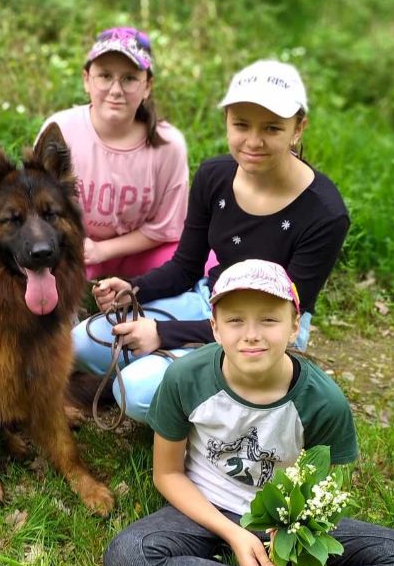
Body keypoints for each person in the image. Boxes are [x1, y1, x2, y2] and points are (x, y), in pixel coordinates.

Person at [103, 260, 394, 566]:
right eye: (235, 320)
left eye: (270, 319)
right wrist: (234, 535)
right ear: (215, 327)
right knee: (127, 557)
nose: (252, 334)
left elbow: (323, 493)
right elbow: (167, 473)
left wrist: (291, 537)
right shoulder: (185, 378)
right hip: (206, 508)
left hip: (285, 519)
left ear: (295, 326)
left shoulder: (323, 402)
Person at [73, 59, 350, 421]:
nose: (253, 141)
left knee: (134, 393)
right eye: (241, 125)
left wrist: (163, 333)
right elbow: (186, 267)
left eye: (272, 128)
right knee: (81, 343)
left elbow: (284, 313)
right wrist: (134, 289)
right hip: (210, 299)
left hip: (268, 329)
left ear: (298, 128)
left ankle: (226, 408)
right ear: (227, 122)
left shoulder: (325, 213)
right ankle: (181, 375)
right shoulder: (214, 176)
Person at [39, 27, 189, 280]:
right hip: (73, 248)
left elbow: (165, 227)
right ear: (87, 79)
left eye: (129, 78)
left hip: (140, 251)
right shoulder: (62, 129)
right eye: (105, 76)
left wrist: (103, 250)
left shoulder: (168, 145)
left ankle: (163, 308)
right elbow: (38, 203)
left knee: (200, 261)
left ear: (147, 86)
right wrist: (79, 245)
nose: (116, 90)